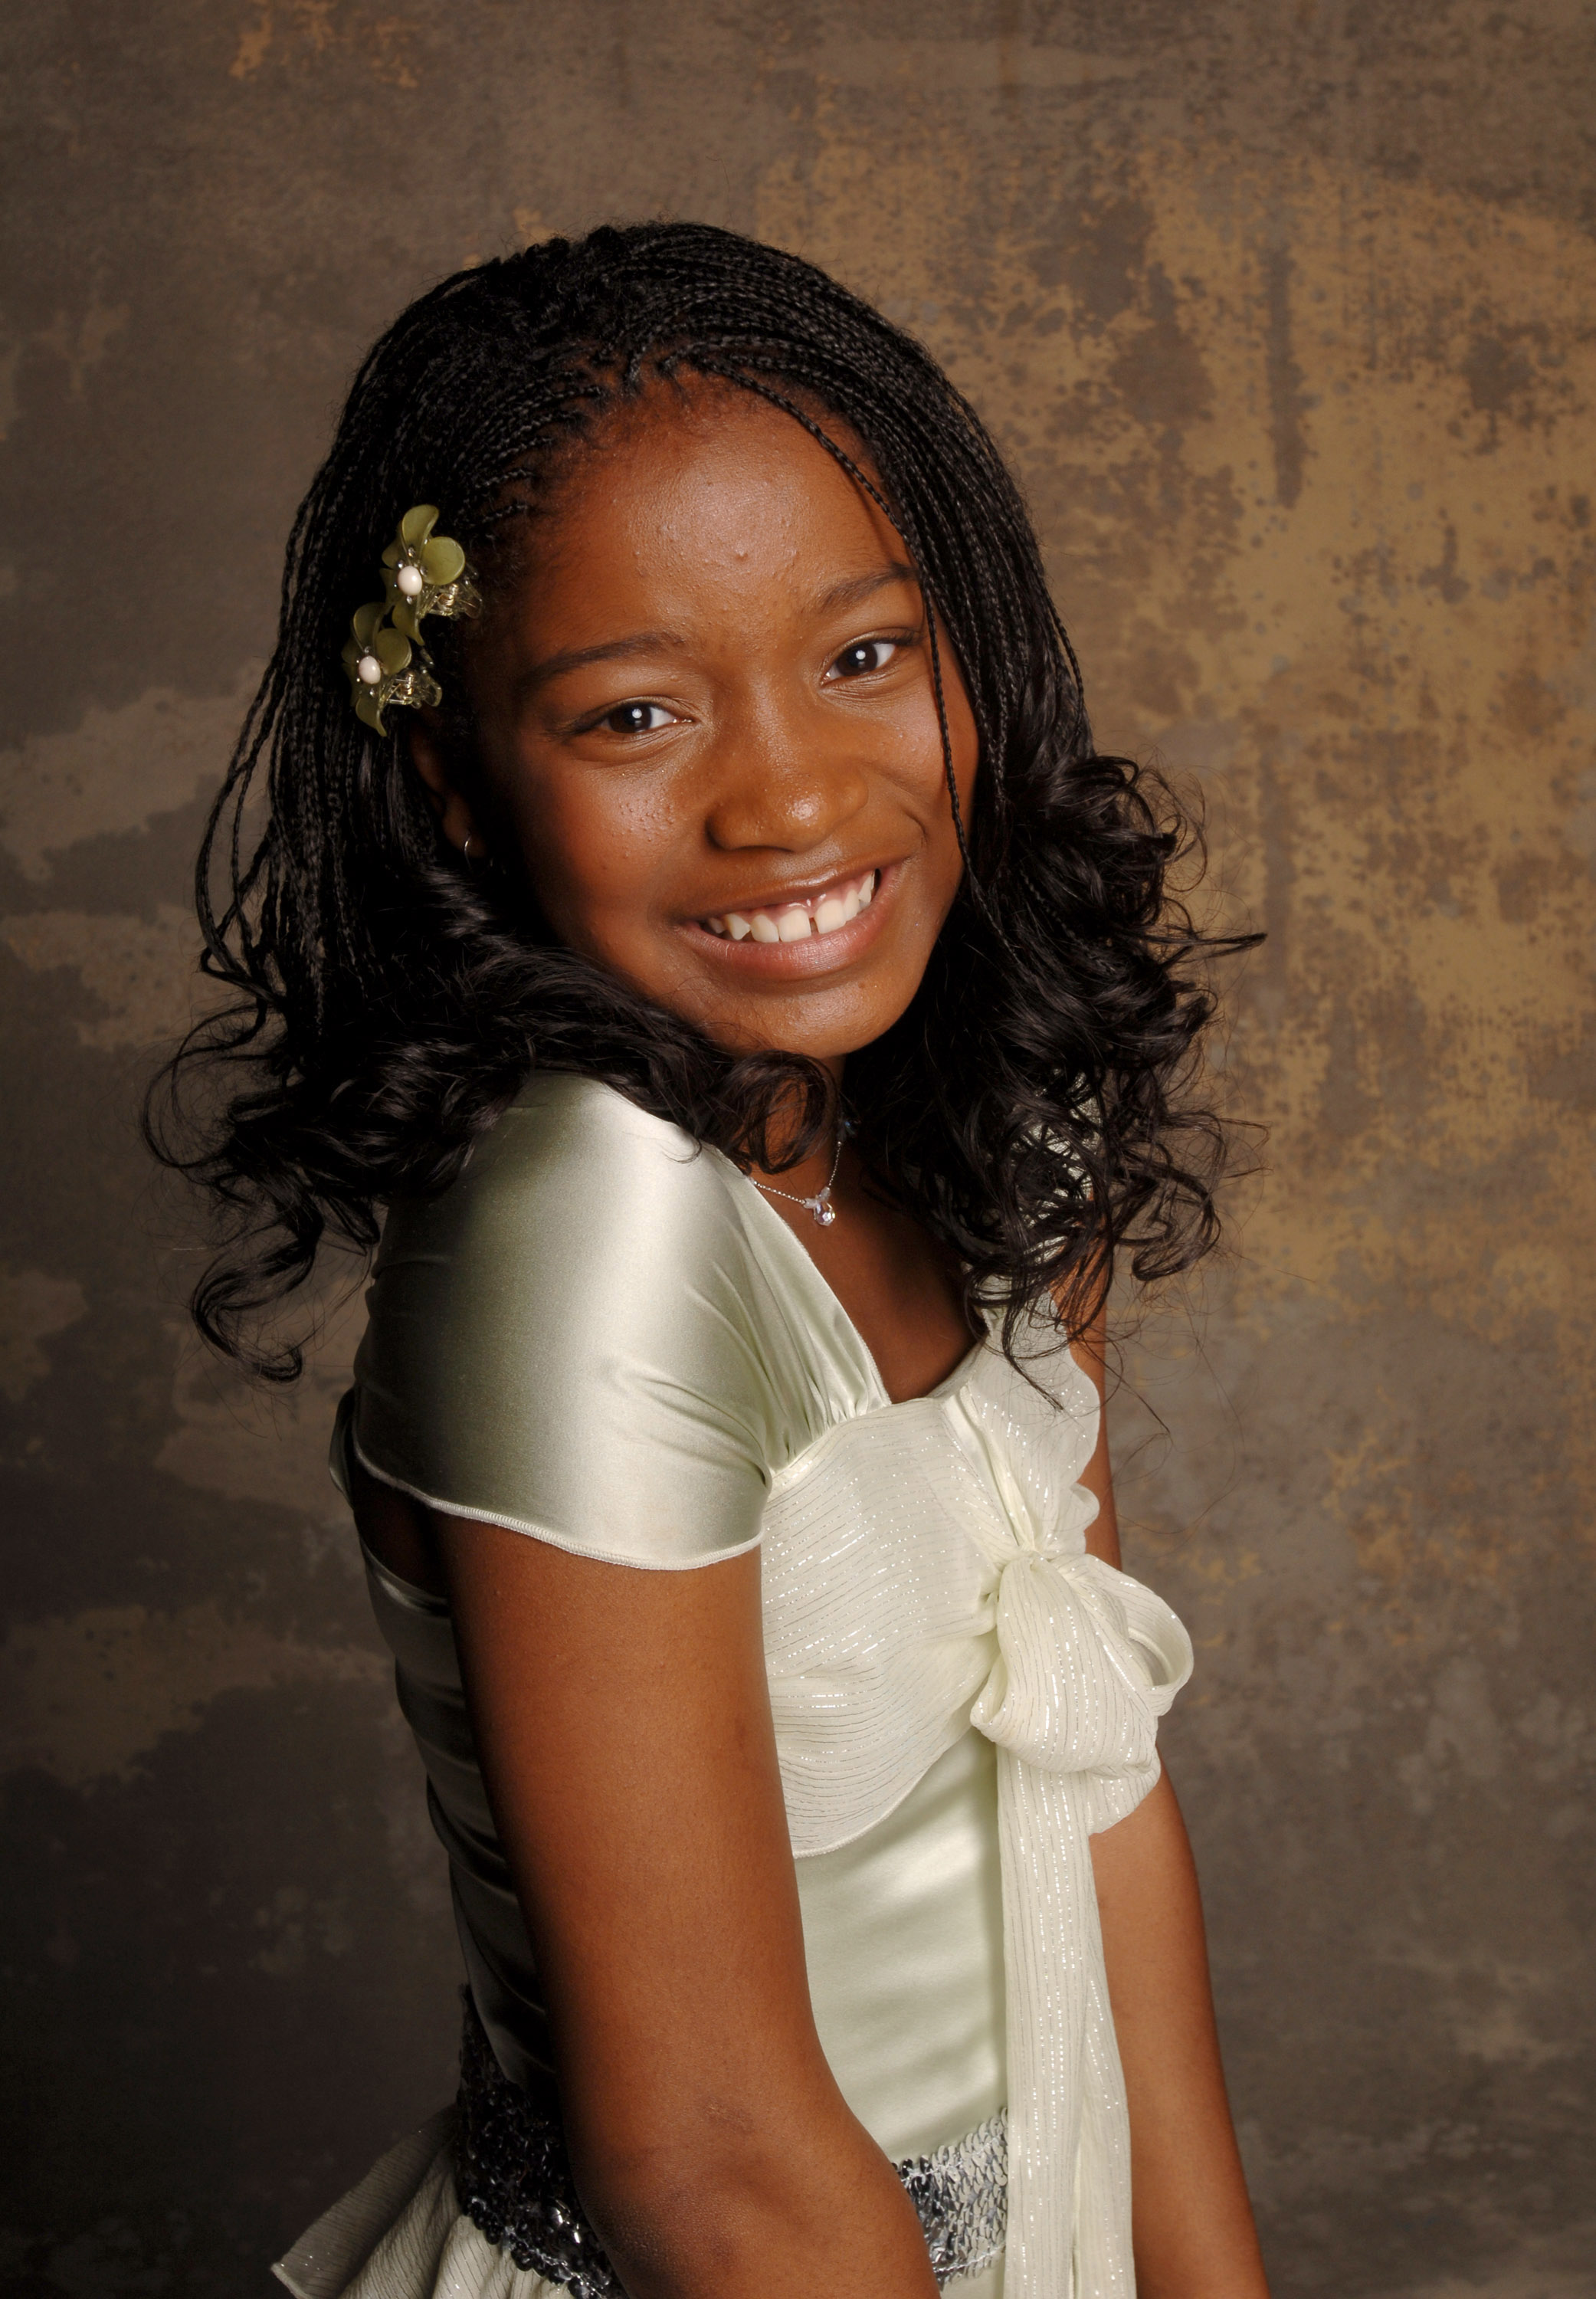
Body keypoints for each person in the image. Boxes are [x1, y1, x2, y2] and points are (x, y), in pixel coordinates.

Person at [153, 221, 1270, 2299]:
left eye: (863, 659)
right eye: (636, 713)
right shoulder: (587, 1233)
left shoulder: (986, 1109)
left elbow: (1091, 1782)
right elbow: (712, 2157)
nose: (787, 800)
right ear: (458, 788)